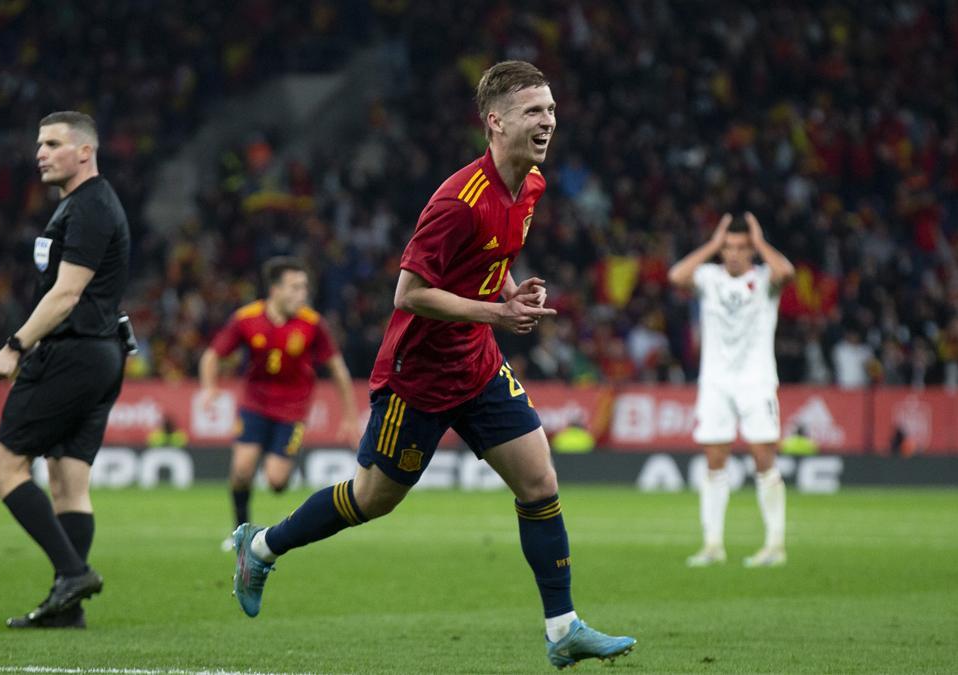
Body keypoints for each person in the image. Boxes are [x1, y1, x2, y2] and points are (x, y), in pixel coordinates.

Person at [231, 61, 635, 669]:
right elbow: (410, 294)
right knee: (373, 498)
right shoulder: (457, 201)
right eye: (534, 111)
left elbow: (491, 259)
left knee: (539, 482)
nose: (549, 121)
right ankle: (261, 547)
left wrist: (510, 292)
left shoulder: (530, 185)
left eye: (551, 109)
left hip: (477, 364)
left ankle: (563, 629)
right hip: (417, 377)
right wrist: (496, 313)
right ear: (495, 123)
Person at [0, 111, 131, 628]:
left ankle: (73, 574)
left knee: (3, 468)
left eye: (52, 144)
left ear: (85, 151)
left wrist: (14, 347)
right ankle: (68, 610)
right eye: (39, 144)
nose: (40, 153)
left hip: (72, 353)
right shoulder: (82, 205)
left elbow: (67, 294)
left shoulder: (89, 207)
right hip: (100, 352)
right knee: (68, 481)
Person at [199, 257, 361, 548]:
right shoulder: (246, 318)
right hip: (254, 404)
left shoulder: (313, 324)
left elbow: (338, 369)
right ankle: (240, 532)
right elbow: (211, 356)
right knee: (242, 469)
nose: (303, 293)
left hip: (292, 411)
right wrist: (209, 389)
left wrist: (350, 416)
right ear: (275, 290)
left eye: (305, 287)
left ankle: (281, 465)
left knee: (276, 482)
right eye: (295, 287)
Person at [668, 212, 795, 568]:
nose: (734, 253)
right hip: (716, 382)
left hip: (757, 380)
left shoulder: (765, 278)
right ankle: (713, 545)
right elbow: (676, 276)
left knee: (764, 459)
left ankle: (775, 545)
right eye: (728, 247)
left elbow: (787, 273)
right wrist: (711, 244)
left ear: (751, 250)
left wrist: (760, 241)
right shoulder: (709, 278)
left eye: (741, 247)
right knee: (714, 462)